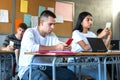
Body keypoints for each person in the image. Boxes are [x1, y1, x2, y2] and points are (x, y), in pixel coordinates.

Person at [18, 10, 77, 80]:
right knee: (42, 78)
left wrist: (65, 48)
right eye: (50, 24)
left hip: (47, 67)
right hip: (29, 68)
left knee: (70, 75)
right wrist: (56, 47)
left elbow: (59, 45)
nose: (53, 27)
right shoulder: (30, 32)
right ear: (42, 23)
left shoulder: (52, 35)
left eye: (54, 24)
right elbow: (32, 47)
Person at [68, 12, 112, 80]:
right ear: (81, 22)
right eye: (88, 20)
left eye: (91, 20)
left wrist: (108, 37)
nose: (90, 22)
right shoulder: (76, 33)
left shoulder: (92, 34)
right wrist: (100, 36)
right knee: (100, 70)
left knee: (102, 67)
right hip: (76, 64)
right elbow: (85, 47)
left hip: (90, 63)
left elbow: (102, 49)